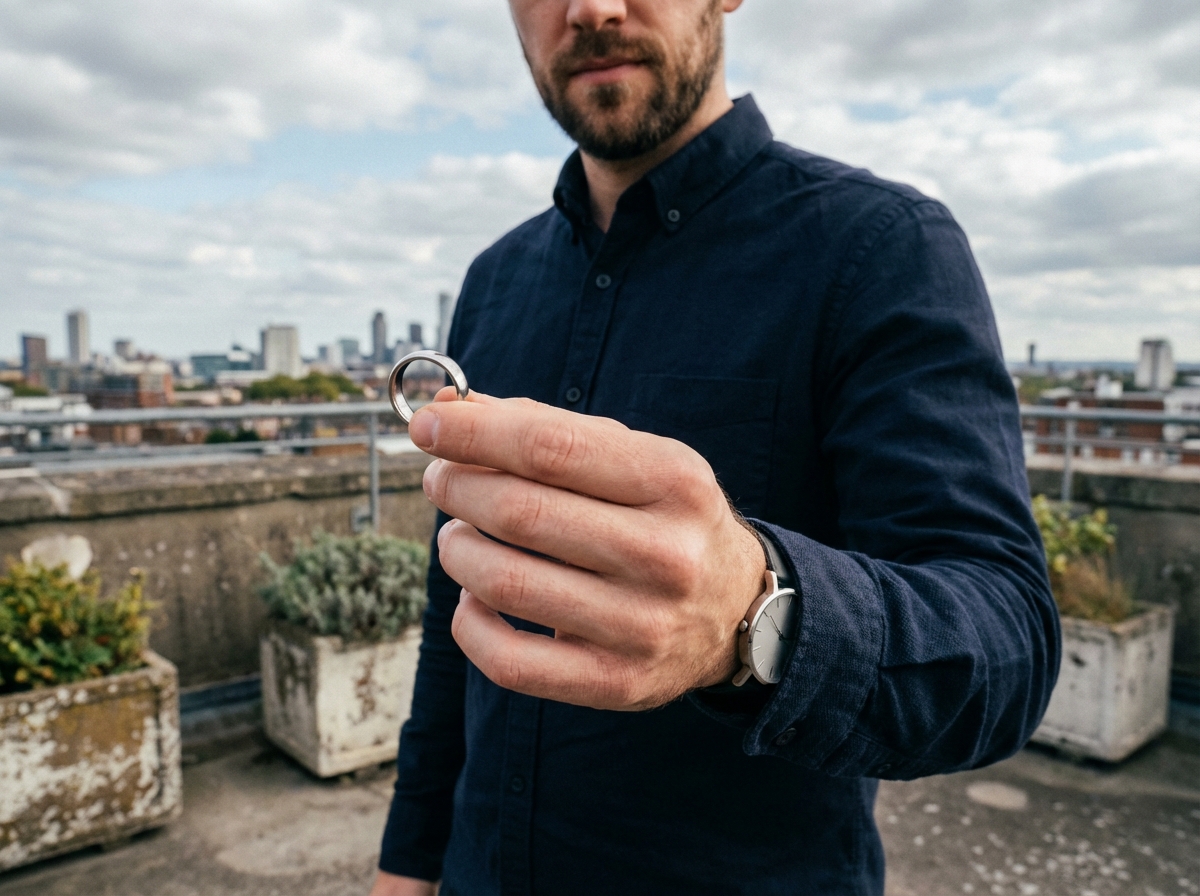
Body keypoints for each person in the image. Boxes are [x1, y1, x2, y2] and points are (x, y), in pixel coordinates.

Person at [370, 0, 1059, 893]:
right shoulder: (494, 280)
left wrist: (755, 613)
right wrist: (408, 859)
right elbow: (455, 611)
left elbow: (1007, 641)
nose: (591, 9)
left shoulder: (881, 248)